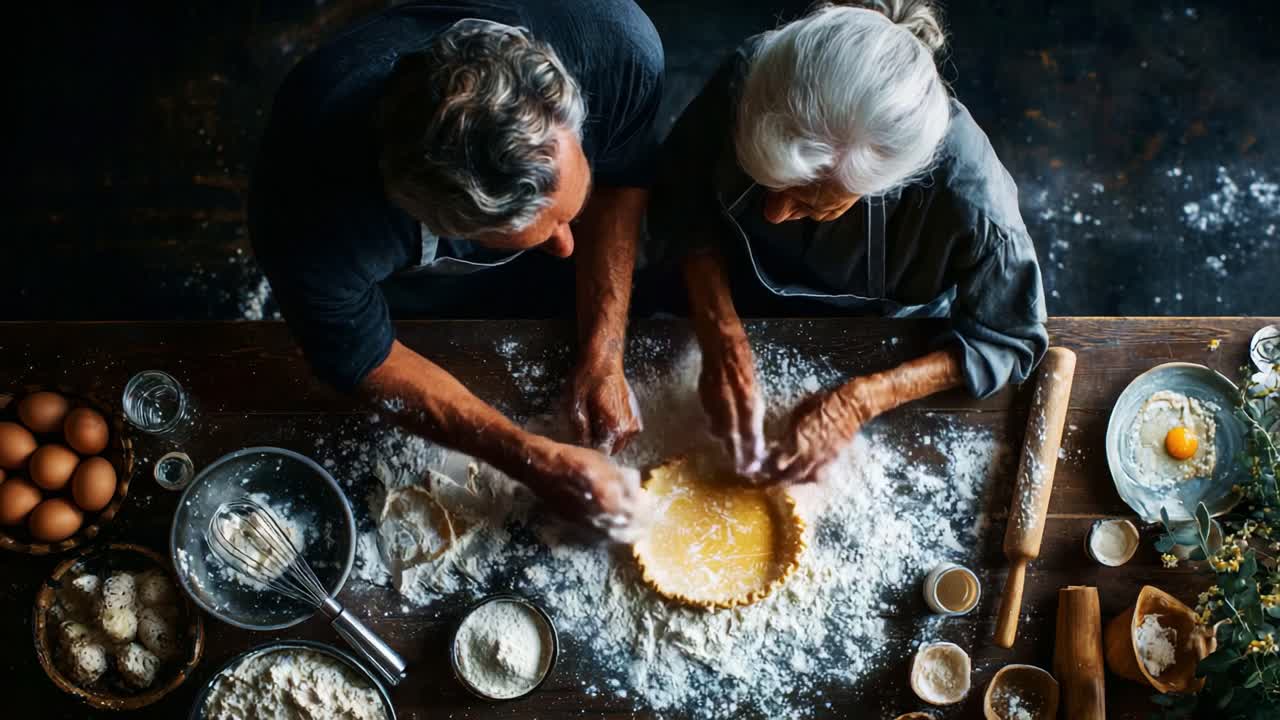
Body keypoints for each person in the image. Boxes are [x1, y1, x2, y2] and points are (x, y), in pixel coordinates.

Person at [249, 1, 663, 536]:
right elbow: (362, 354)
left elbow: (623, 176)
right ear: (442, 222)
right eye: (536, 233)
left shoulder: (615, 45)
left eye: (567, 213)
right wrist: (528, 457)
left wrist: (605, 353)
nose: (568, 246)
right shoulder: (312, 219)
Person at [647, 0, 1048, 483]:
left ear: (886, 184)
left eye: (811, 202)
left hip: (877, 336)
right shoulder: (753, 78)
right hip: (721, 289)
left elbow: (1010, 338)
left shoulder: (970, 199)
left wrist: (863, 399)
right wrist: (720, 330)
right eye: (764, 183)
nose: (774, 213)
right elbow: (679, 202)